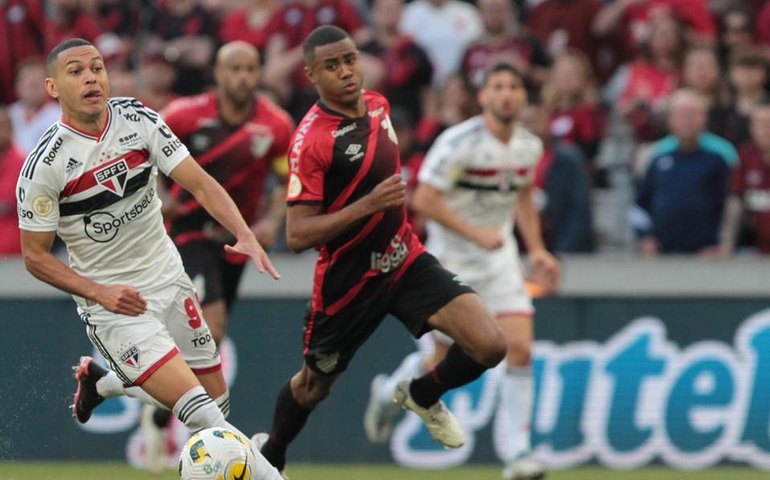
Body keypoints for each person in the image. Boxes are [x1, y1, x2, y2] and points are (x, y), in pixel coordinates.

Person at [15, 38, 283, 480]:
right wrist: (100, 293)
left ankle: (105, 383)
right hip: (114, 305)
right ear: (52, 87)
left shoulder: (138, 119)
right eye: (76, 72)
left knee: (217, 405)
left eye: (97, 68)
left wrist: (245, 233)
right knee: (206, 418)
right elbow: (34, 257)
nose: (91, 78)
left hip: (170, 278)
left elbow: (200, 182)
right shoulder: (46, 165)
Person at [253, 25, 508, 478]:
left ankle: (422, 395)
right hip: (349, 281)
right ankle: (270, 454)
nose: (346, 72)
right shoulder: (310, 142)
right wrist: (368, 205)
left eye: (350, 59)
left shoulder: (378, 105)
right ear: (311, 75)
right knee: (313, 387)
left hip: (403, 258)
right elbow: (298, 235)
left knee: (490, 345)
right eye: (332, 66)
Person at [363, 61, 561, 480]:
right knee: (441, 358)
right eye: (498, 86)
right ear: (483, 96)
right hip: (450, 264)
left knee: (520, 349)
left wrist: (537, 250)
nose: (506, 94)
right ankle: (389, 393)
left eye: (514, 87)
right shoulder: (458, 142)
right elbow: (424, 199)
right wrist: (475, 234)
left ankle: (518, 455)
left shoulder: (529, 146)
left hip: (500, 262)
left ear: (523, 97)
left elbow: (523, 196)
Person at [139, 40, 295, 473]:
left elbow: (285, 178)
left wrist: (271, 220)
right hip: (187, 234)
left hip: (236, 241)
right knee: (214, 325)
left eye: (250, 69)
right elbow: (142, 152)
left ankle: (159, 413)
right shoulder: (184, 114)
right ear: (219, 74)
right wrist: (161, 194)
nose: (243, 77)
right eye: (234, 69)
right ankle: (202, 437)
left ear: (259, 73)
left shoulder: (276, 124)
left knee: (209, 341)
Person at [631, 88, 736, 255]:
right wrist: (645, 237)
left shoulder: (721, 156)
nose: (687, 120)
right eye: (680, 114)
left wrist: (724, 243)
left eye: (692, 114)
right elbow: (639, 206)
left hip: (707, 255)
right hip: (663, 254)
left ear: (704, 118)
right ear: (670, 119)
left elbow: (732, 205)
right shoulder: (657, 156)